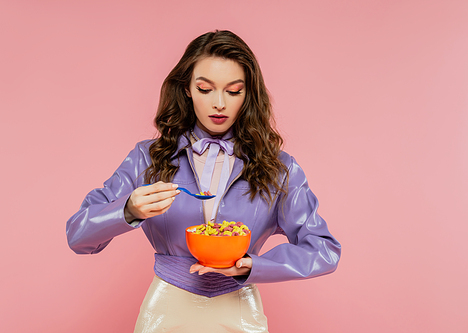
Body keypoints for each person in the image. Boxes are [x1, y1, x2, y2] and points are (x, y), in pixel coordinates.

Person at [66, 30, 341, 333]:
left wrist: (253, 266)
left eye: (234, 91)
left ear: (249, 94)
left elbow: (323, 249)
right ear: (187, 89)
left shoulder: (279, 168)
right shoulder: (147, 158)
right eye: (205, 89)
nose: (219, 103)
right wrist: (128, 210)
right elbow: (78, 236)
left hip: (238, 309)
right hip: (167, 309)